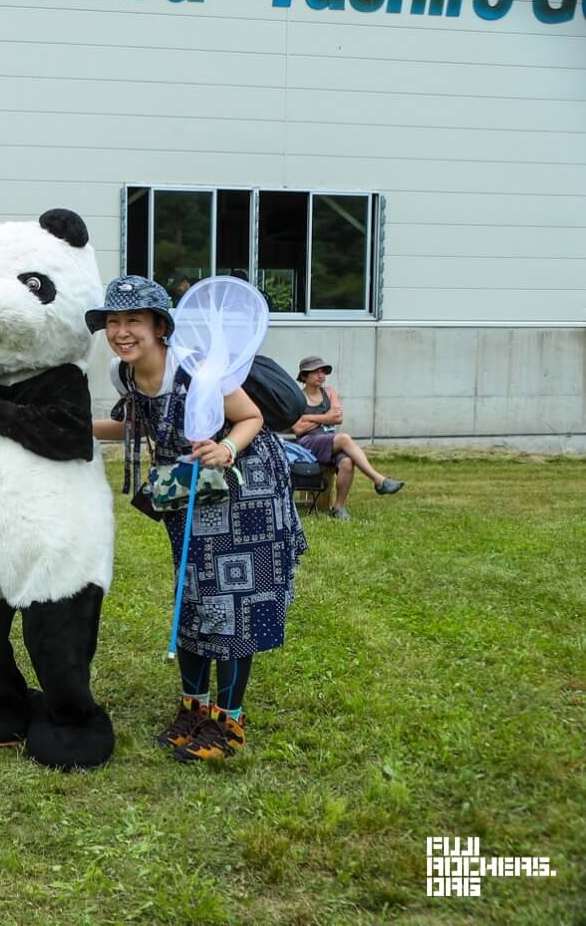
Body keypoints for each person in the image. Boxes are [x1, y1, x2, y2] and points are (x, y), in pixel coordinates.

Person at [90, 276, 306, 762]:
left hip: (244, 488)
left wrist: (226, 446)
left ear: (160, 326)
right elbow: (134, 422)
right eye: (113, 322)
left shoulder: (198, 367)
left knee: (235, 602)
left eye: (133, 321)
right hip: (188, 492)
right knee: (192, 597)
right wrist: (67, 426)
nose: (122, 332)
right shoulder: (122, 374)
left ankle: (229, 723)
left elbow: (250, 418)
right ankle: (194, 709)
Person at [292, 355, 404, 521]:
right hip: (309, 443)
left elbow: (337, 418)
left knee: (347, 462)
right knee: (344, 438)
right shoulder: (297, 398)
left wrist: (310, 418)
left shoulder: (329, 393)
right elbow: (298, 428)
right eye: (315, 372)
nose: (321, 375)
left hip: (330, 441)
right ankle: (379, 480)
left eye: (323, 371)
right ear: (304, 376)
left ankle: (338, 507)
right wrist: (326, 416)